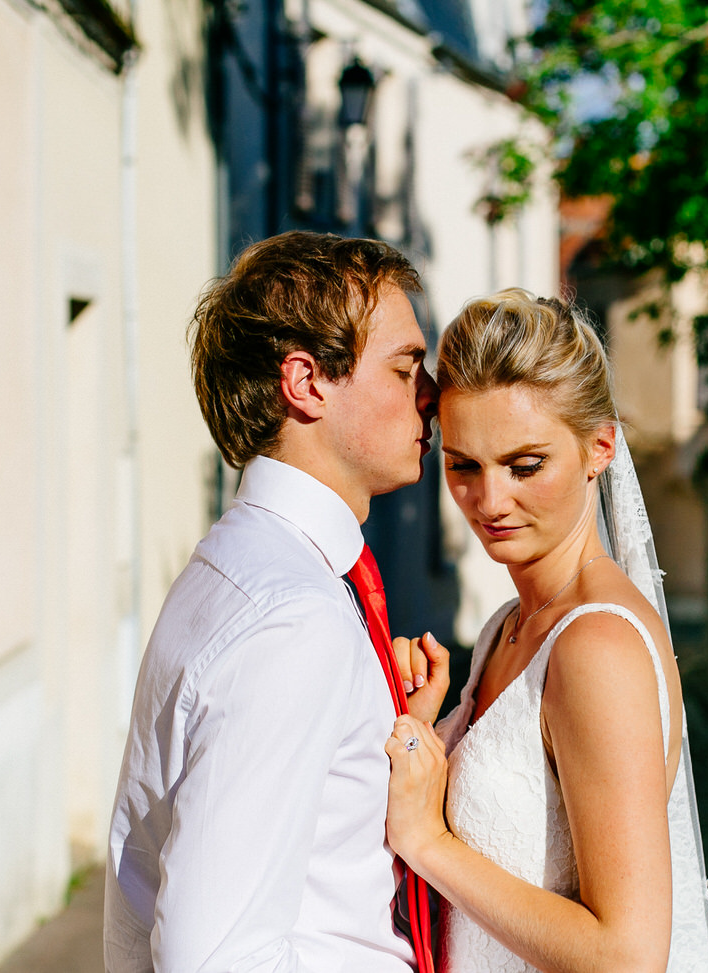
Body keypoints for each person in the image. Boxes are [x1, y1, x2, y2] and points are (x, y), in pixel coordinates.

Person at [104, 231, 450, 972]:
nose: (432, 395)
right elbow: (214, 957)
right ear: (306, 382)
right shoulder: (294, 618)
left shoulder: (243, 568)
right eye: (404, 367)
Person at [384, 290, 708, 972]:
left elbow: (627, 955)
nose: (490, 500)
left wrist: (428, 843)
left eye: (526, 464)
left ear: (600, 447)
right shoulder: (508, 627)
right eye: (464, 465)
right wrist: (423, 732)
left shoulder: (596, 647)